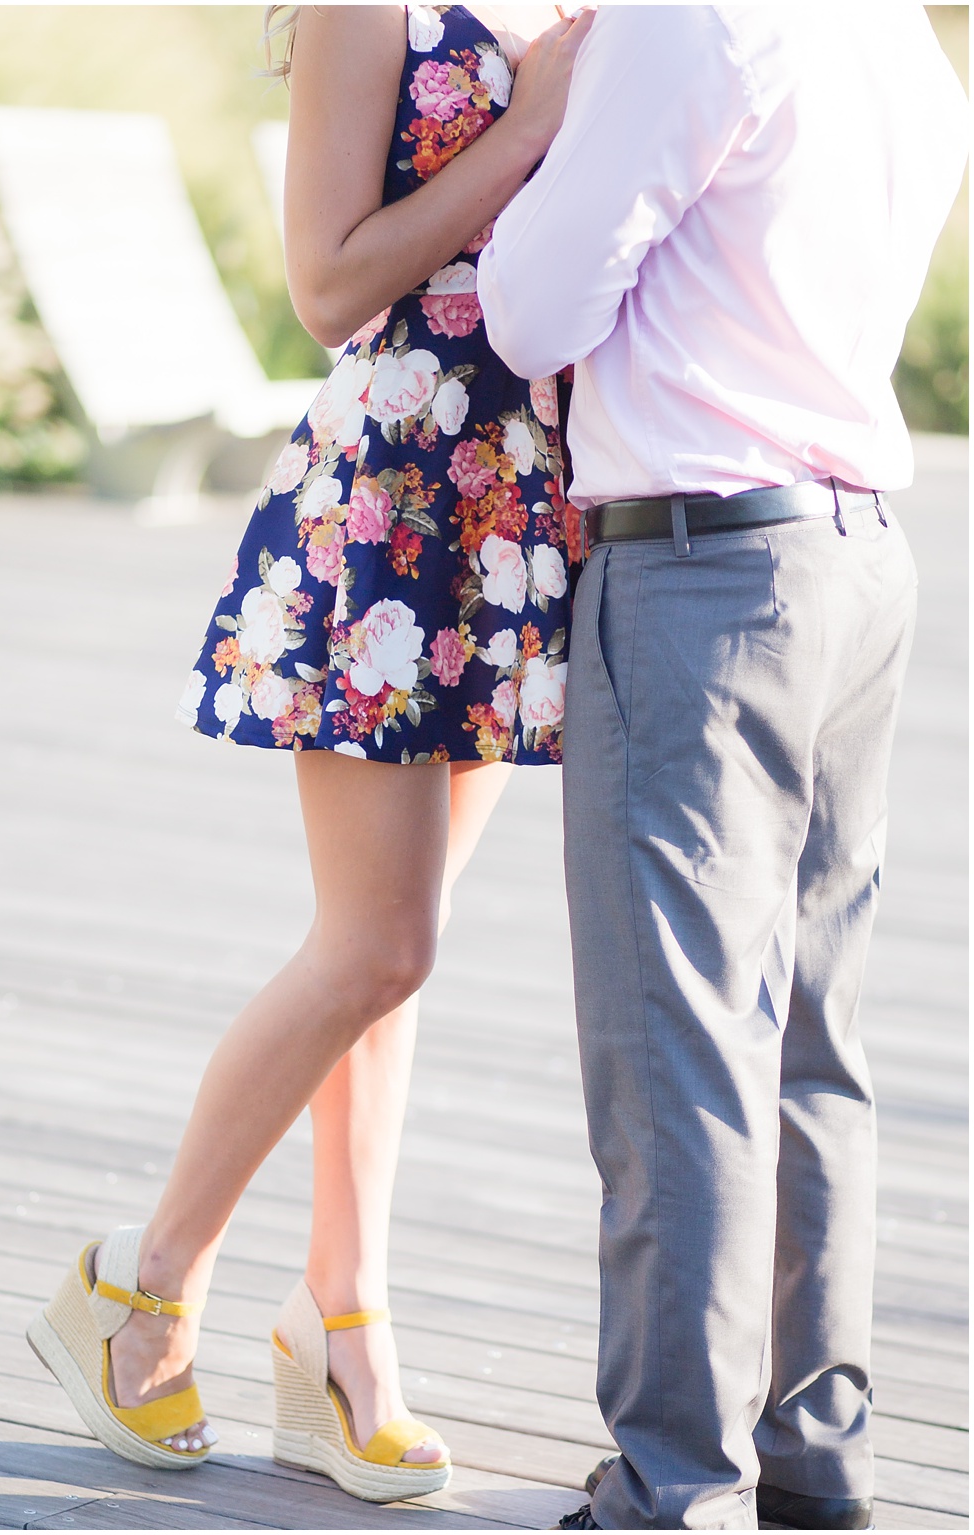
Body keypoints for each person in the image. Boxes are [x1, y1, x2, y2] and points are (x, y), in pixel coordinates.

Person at [25, 3, 593, 1503]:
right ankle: (139, 1291)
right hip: (394, 502)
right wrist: (530, 128)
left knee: (395, 952)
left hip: (509, 504)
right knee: (378, 948)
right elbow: (326, 284)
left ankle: (342, 1329)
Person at [474, 7, 969, 1529]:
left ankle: (671, 1492)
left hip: (702, 577)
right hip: (855, 563)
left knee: (676, 1048)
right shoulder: (899, 35)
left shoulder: (690, 16)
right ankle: (815, 1471)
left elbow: (535, 310)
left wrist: (541, 121)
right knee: (816, 1045)